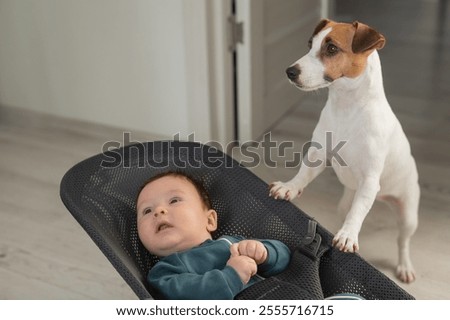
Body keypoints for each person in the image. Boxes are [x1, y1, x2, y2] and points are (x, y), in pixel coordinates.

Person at [136, 171, 291, 300]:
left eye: (174, 200)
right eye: (147, 211)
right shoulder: (163, 273)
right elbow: (188, 298)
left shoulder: (232, 243)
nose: (159, 211)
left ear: (209, 220)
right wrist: (231, 276)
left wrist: (265, 253)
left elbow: (285, 256)